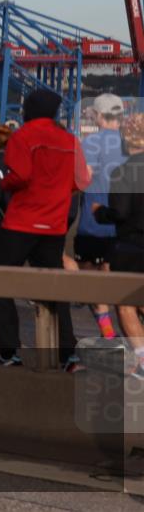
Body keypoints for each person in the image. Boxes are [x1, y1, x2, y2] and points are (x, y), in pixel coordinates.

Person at [0, 89, 90, 369]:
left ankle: (9, 352)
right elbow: (82, 181)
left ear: (28, 110)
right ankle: (69, 354)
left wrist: (4, 184)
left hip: (21, 222)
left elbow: (21, 175)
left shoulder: (23, 136)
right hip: (54, 226)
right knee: (54, 289)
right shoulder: (70, 140)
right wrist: (57, 191)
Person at [93, 113, 144, 374]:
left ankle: (142, 359)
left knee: (125, 304)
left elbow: (121, 212)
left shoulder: (124, 171)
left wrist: (99, 211)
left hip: (132, 245)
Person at [75, 93, 126, 339]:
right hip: (125, 225)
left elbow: (83, 178)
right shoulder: (132, 142)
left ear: (97, 115)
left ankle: (107, 332)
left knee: (90, 279)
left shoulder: (91, 142)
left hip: (94, 223)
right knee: (119, 279)